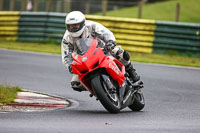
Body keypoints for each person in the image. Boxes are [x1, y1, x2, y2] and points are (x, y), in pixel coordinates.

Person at [61, 11, 140, 92]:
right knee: (75, 83)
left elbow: (106, 33)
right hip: (84, 59)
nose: (73, 28)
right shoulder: (67, 38)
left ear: (82, 24)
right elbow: (66, 55)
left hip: (102, 50)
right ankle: (98, 90)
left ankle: (131, 71)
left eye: (76, 25)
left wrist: (110, 42)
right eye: (70, 26)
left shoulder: (91, 26)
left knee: (119, 52)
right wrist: (70, 66)